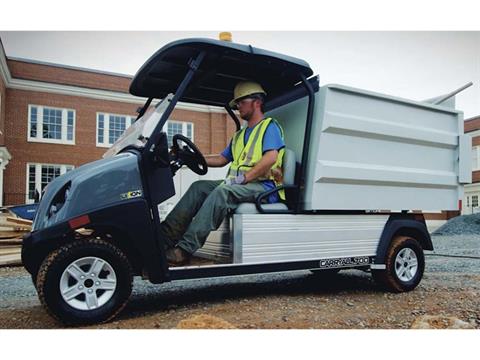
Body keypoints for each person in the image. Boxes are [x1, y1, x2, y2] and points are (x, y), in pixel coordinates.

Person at [162, 81, 286, 265]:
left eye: (241, 102)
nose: (238, 106)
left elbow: (271, 158)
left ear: (257, 102)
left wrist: (243, 178)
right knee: (199, 187)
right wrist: (194, 158)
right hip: (241, 184)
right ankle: (163, 238)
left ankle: (184, 250)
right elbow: (221, 159)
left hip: (264, 187)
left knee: (223, 192)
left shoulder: (269, 127)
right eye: (236, 103)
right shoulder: (239, 135)